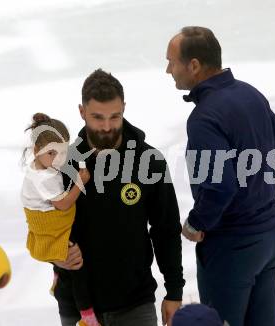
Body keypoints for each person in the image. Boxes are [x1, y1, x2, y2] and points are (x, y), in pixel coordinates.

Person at [166, 26, 275, 326]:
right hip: (270, 238)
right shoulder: (250, 94)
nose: (168, 70)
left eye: (172, 61)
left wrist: (196, 223)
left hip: (233, 248)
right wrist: (257, 185)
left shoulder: (204, 117)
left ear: (194, 65)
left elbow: (218, 185)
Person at [52, 69, 185, 326]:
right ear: (82, 112)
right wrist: (54, 255)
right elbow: (39, 225)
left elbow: (165, 230)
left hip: (135, 304)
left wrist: (174, 291)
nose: (106, 126)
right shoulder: (62, 163)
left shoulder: (150, 161)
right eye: (97, 117)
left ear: (124, 108)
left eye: (115, 116)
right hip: (76, 306)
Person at [20, 113, 100, 326]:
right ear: (36, 151)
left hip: (45, 216)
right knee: (76, 263)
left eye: (63, 151)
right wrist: (80, 182)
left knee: (65, 247)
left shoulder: (43, 166)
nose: (59, 159)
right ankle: (87, 314)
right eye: (52, 153)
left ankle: (57, 275)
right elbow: (64, 204)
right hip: (47, 221)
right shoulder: (43, 178)